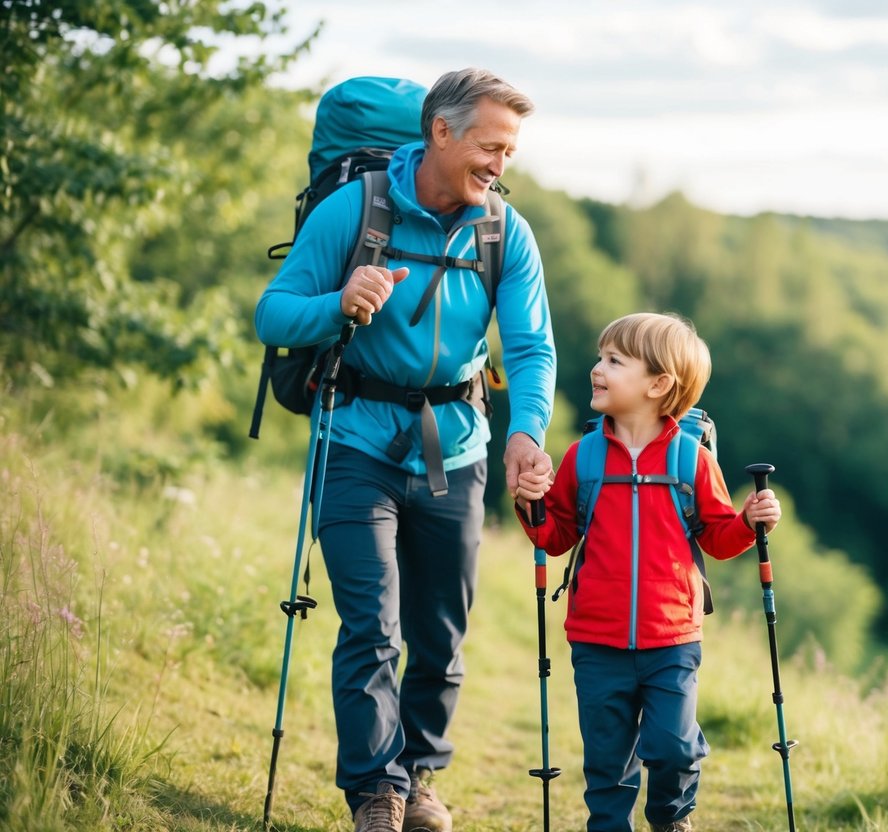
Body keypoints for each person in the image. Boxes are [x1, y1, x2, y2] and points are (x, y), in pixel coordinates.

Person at [255, 68, 556, 832]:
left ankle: (420, 776)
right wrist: (337, 303)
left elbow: (529, 348)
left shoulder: (503, 232)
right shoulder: (354, 211)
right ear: (440, 132)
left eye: (510, 152)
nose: (499, 165)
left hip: (456, 451)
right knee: (372, 624)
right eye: (490, 146)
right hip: (354, 440)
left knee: (439, 632)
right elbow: (274, 313)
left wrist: (526, 431)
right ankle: (376, 793)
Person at [514, 312, 781, 832]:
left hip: (672, 640)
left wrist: (748, 521)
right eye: (599, 357)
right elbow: (556, 535)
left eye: (614, 361)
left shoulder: (691, 460)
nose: (597, 368)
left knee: (674, 748)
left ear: (659, 384)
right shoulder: (583, 456)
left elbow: (719, 538)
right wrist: (531, 505)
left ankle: (670, 818)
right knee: (608, 765)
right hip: (596, 641)